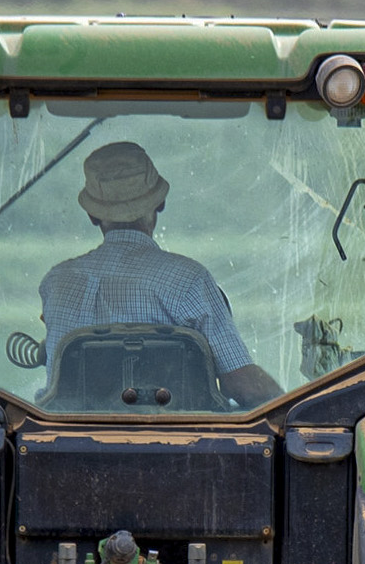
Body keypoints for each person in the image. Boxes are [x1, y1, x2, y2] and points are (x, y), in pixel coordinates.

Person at [40, 142, 282, 407]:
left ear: (92, 216)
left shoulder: (55, 283)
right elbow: (243, 385)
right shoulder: (188, 280)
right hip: (182, 443)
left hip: (69, 439)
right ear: (161, 202)